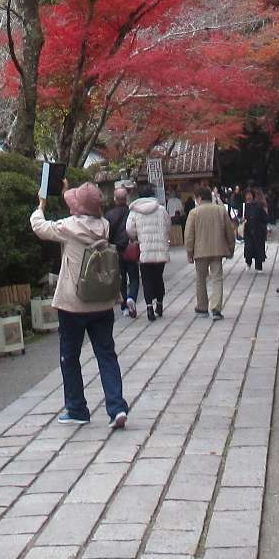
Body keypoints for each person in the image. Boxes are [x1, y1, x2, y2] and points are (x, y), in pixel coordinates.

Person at [32, 183, 131, 428]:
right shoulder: (104, 226)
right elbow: (85, 209)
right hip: (102, 302)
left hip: (73, 305)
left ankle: (77, 408)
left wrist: (41, 205)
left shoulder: (68, 227)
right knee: (106, 354)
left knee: (70, 356)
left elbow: (39, 227)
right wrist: (69, 189)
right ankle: (116, 407)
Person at [184, 192, 235, 319]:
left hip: (200, 251)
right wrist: (230, 248)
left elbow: (189, 235)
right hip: (217, 249)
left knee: (201, 279)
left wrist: (189, 252)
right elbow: (229, 231)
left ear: (200, 198)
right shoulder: (220, 210)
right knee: (217, 278)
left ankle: (202, 307)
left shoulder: (194, 213)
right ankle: (216, 308)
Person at [127, 188, 171, 320]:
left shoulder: (134, 212)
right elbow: (168, 225)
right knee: (158, 277)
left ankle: (149, 309)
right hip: (160, 249)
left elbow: (129, 229)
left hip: (144, 250)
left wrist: (135, 238)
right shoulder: (161, 210)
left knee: (146, 280)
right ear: (152, 195)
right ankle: (159, 304)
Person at [106, 184, 140, 318]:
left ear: (115, 199)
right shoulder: (133, 213)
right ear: (126, 199)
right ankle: (132, 297)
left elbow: (107, 235)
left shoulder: (109, 215)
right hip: (130, 249)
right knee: (134, 278)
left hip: (115, 251)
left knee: (121, 279)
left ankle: (124, 306)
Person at [241, 186, 269, 272]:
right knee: (248, 248)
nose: (248, 196)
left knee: (258, 248)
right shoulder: (243, 206)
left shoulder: (258, 206)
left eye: (250, 194)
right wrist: (241, 220)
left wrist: (263, 228)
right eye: (247, 195)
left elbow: (265, 218)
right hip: (248, 230)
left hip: (258, 231)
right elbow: (239, 217)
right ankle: (248, 262)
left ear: (253, 195)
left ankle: (259, 266)